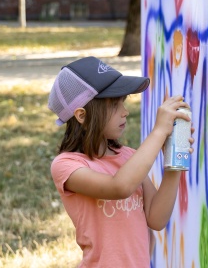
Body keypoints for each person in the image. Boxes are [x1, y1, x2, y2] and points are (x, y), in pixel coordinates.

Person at [49, 56, 194, 267]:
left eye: (123, 102)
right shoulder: (67, 166)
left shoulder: (127, 156)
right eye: (115, 105)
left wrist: (174, 159)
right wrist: (159, 131)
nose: (125, 112)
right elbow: (120, 187)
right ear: (82, 115)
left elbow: (156, 218)